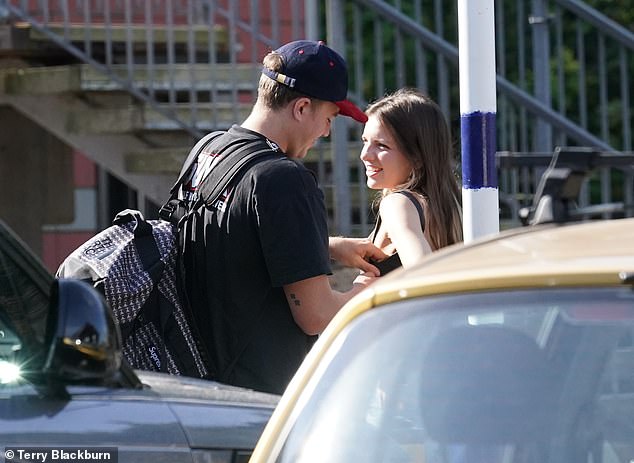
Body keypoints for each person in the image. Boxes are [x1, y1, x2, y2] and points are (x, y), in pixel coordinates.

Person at [178, 40, 387, 394]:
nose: (326, 132)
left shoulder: (209, 151)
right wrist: (369, 292)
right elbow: (316, 315)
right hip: (257, 400)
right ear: (303, 108)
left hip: (196, 385)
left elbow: (233, 240)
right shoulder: (284, 179)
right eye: (329, 118)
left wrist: (329, 246)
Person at [360, 88, 463, 274]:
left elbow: (423, 275)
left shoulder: (398, 204)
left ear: (416, 157)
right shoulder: (450, 203)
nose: (364, 155)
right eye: (365, 141)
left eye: (381, 145)